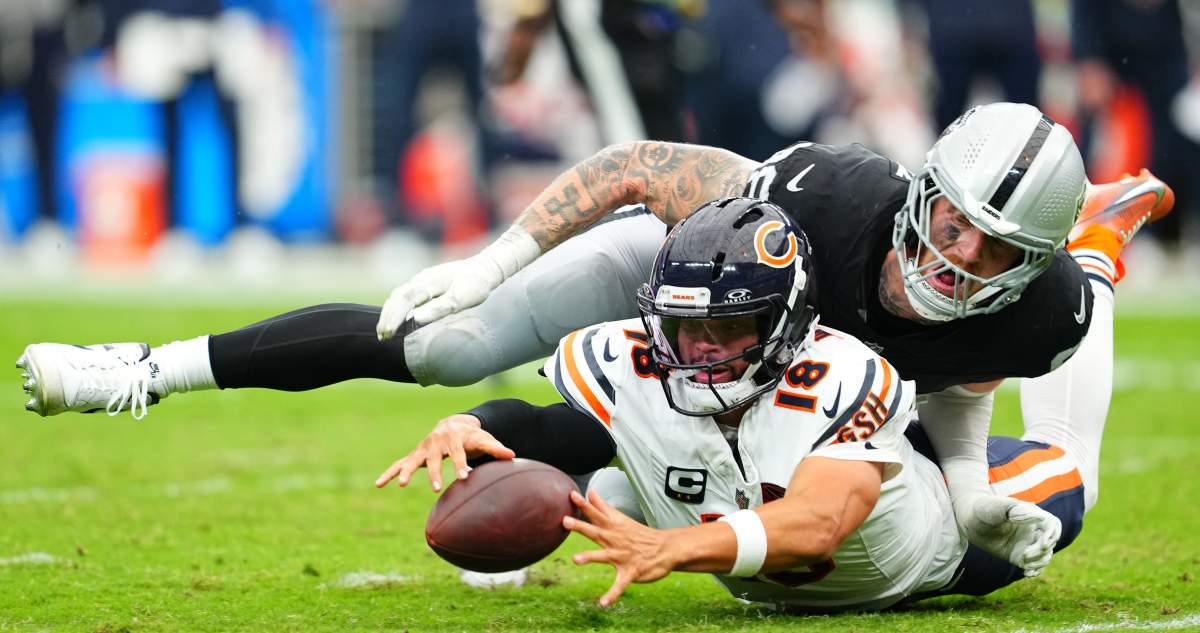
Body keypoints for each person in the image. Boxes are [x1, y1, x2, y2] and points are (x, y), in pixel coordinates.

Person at [15, 102, 1174, 572]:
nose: (953, 261)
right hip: (711, 289)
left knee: (760, 458)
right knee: (441, 344)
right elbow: (636, 168)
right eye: (950, 227)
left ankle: (1098, 236)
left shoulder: (1038, 311)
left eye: (991, 253)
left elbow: (960, 371)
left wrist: (967, 487)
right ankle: (146, 371)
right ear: (920, 194)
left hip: (804, 370)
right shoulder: (824, 199)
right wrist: (492, 265)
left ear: (1024, 266)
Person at [374, 198, 1090, 609]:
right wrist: (470, 423)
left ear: (785, 322)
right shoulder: (637, 361)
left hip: (924, 553)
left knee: (1072, 474)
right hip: (757, 550)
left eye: (730, 324)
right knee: (614, 481)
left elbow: (817, 525)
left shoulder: (840, 372)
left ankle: (1094, 257)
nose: (702, 346)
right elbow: (553, 428)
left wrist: (671, 547)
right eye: (685, 324)